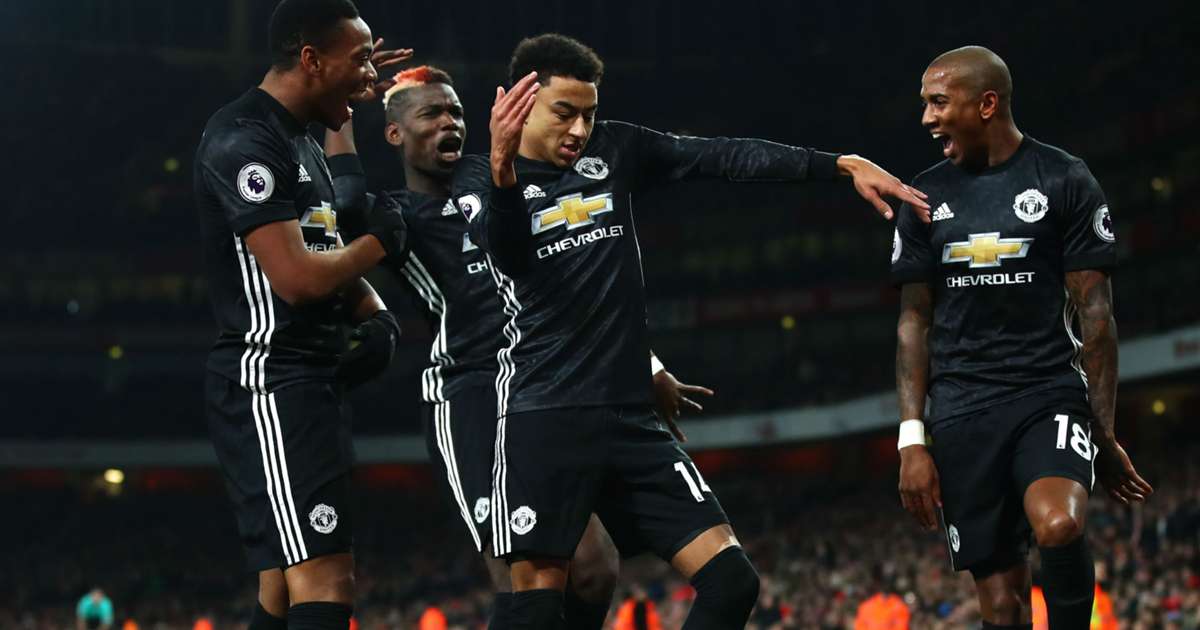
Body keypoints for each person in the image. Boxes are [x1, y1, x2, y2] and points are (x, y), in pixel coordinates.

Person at [458, 33, 929, 629]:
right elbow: (511, 258)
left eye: (589, 114)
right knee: (534, 607)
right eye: (564, 112)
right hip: (543, 416)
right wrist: (503, 171)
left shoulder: (615, 149)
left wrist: (838, 164)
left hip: (630, 417)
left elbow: (720, 157)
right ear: (520, 105)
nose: (579, 129)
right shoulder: (478, 181)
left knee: (731, 581)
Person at [326, 64, 712, 630]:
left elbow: (575, 281)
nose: (450, 122)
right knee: (521, 581)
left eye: (456, 111)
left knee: (594, 570)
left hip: (543, 380)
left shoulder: (505, 185)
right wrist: (341, 100)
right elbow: (343, 200)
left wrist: (647, 363)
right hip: (473, 394)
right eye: (431, 113)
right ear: (394, 133)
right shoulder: (395, 215)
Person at [893, 46, 1154, 629]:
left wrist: (1103, 430)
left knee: (1059, 523)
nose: (927, 118)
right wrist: (912, 438)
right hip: (960, 410)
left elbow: (1097, 313)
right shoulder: (923, 196)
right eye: (925, 105)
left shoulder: (1063, 177)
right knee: (1001, 605)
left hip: (1046, 391)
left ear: (986, 104)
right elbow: (913, 322)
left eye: (939, 103)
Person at [193, 1, 409, 628]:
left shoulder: (302, 139)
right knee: (325, 582)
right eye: (360, 60)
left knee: (282, 593)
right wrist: (384, 242)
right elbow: (298, 278)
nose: (371, 76)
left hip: (308, 381)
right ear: (310, 59)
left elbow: (325, 242)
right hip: (271, 380)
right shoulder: (244, 139)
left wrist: (374, 311)